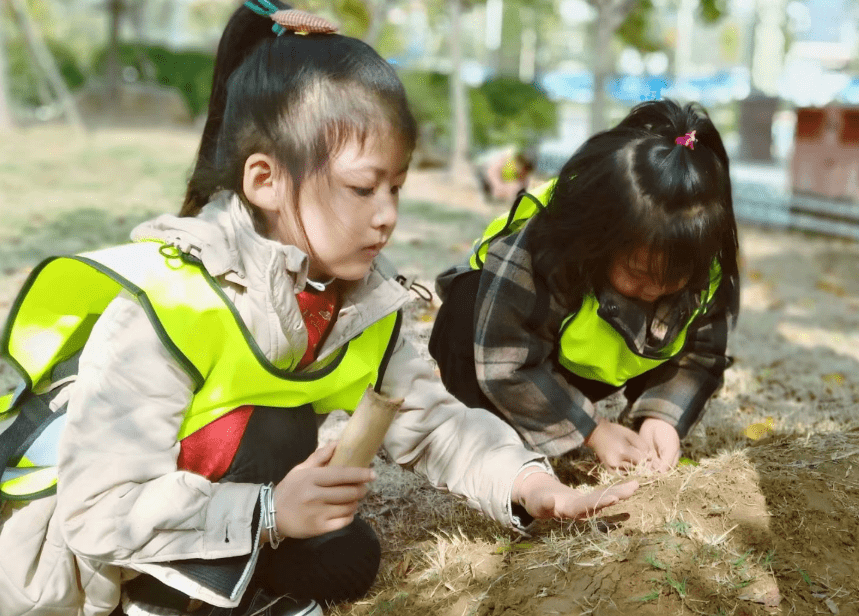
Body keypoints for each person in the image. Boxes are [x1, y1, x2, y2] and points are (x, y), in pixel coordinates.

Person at [0, 3, 637, 616]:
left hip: (228, 509)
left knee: (346, 555)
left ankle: (232, 587)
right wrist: (271, 513)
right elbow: (98, 510)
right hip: (79, 570)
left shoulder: (356, 299)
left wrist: (532, 487)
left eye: (396, 188)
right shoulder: (171, 303)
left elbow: (435, 423)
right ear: (265, 181)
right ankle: (166, 598)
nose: (387, 215)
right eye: (363, 188)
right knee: (274, 431)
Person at [429, 99, 739, 474]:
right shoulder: (552, 243)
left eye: (672, 279)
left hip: (582, 364)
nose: (654, 291)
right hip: (487, 335)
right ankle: (499, 444)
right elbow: (504, 359)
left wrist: (662, 417)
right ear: (601, 240)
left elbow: (700, 355)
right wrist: (590, 429)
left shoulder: (705, 262)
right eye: (638, 273)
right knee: (465, 315)